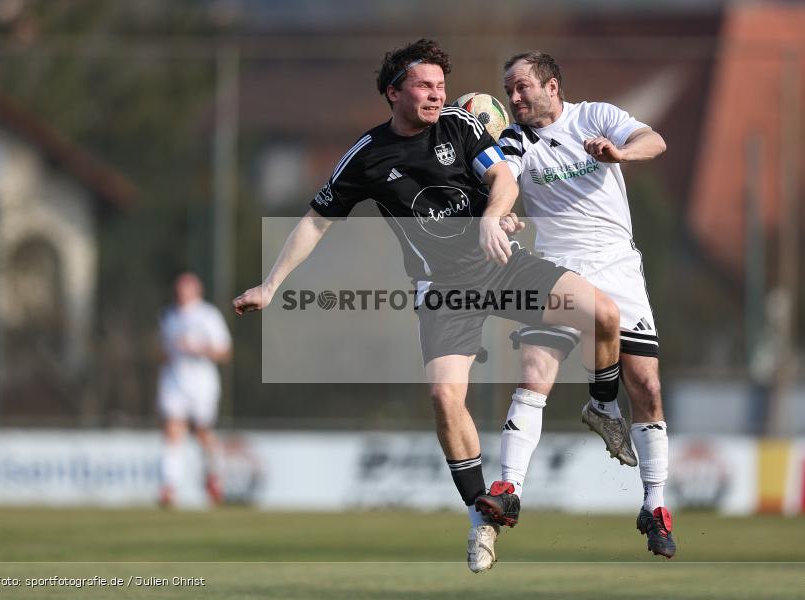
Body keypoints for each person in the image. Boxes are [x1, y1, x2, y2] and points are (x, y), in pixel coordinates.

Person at [232, 39, 623, 573]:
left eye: (441, 85)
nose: (437, 95)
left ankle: (602, 406)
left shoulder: (460, 127)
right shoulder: (367, 155)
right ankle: (483, 518)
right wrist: (271, 284)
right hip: (444, 290)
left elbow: (502, 178)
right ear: (393, 92)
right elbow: (317, 219)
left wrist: (493, 215)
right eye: (424, 86)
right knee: (443, 396)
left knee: (601, 313)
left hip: (502, 265)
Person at [475, 51, 675, 558]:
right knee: (535, 372)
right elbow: (504, 181)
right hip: (558, 270)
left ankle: (654, 506)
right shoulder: (516, 140)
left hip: (618, 269)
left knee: (647, 387)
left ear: (553, 86)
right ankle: (510, 489)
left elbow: (655, 140)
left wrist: (620, 154)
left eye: (521, 87)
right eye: (508, 89)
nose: (513, 98)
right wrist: (499, 215)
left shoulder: (596, 117)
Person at [158, 272, 232, 508]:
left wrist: (197, 348)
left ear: (196, 290)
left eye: (186, 288)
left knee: (203, 433)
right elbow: (164, 350)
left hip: (202, 384)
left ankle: (214, 477)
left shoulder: (208, 315)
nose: (181, 292)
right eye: (179, 288)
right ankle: (169, 487)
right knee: (173, 430)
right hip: (174, 381)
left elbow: (224, 352)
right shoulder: (169, 315)